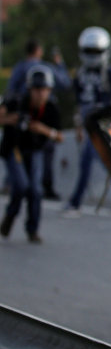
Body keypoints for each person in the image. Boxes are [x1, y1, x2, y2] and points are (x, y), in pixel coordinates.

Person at [64, 26, 111, 216]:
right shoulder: (81, 74)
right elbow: (78, 102)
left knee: (89, 162)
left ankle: (75, 201)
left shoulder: (109, 73)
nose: (92, 56)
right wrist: (78, 126)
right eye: (89, 52)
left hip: (102, 125)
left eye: (95, 52)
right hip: (87, 123)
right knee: (104, 162)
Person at [0, 66, 65, 243]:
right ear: (30, 90)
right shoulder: (16, 101)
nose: (40, 94)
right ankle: (10, 216)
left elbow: (60, 137)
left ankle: (32, 229)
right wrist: (11, 119)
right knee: (21, 185)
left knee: (35, 190)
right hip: (14, 148)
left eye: (43, 90)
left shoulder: (51, 108)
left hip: (35, 150)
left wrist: (43, 130)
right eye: (36, 90)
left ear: (49, 90)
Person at [5, 40, 72, 200]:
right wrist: (60, 64)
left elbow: (10, 91)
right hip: (34, 118)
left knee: (22, 149)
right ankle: (43, 186)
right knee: (41, 151)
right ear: (38, 51)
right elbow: (65, 83)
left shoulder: (19, 68)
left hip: (27, 119)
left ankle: (14, 183)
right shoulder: (45, 68)